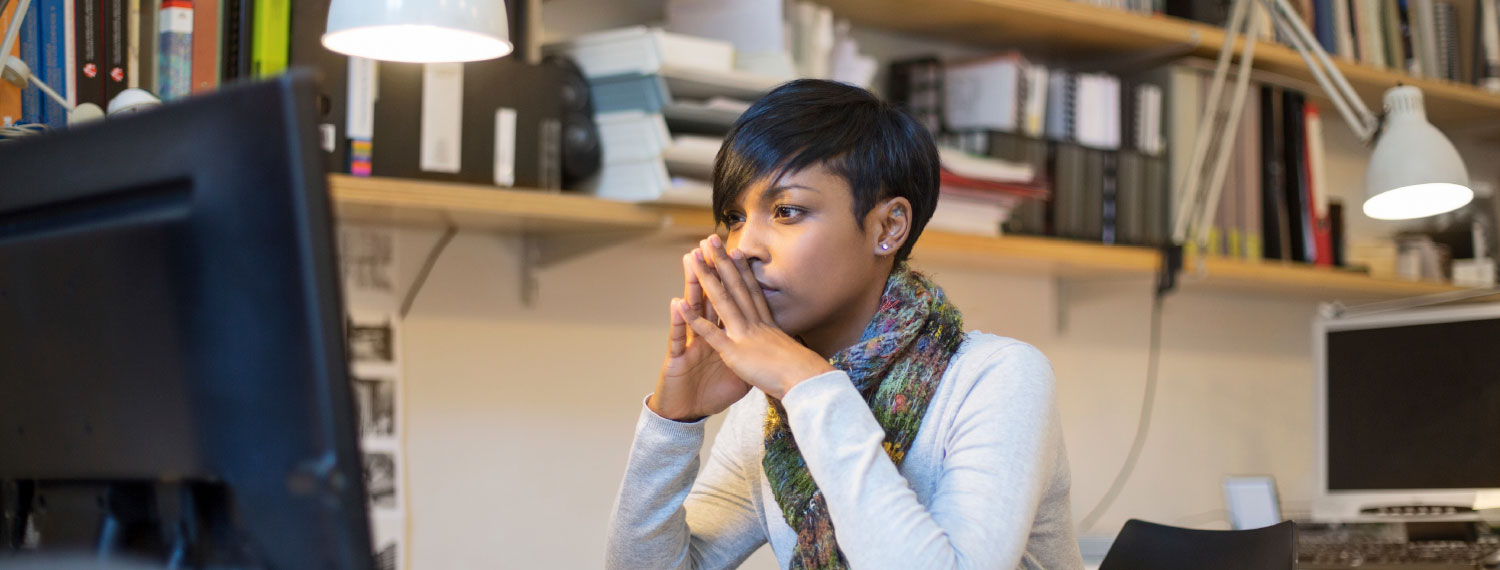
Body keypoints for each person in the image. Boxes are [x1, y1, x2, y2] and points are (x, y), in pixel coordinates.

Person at [605, 79, 1084, 570]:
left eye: (786, 211)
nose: (743, 245)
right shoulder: (769, 413)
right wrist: (672, 423)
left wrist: (807, 383)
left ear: (888, 228)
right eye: (734, 216)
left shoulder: (998, 378)